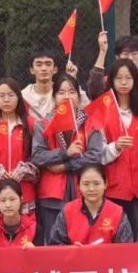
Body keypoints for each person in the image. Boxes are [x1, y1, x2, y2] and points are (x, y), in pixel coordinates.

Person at [31, 73, 104, 245]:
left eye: (72, 92)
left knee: (81, 242)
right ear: (54, 96)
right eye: (61, 92)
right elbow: (37, 156)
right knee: (54, 244)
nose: (67, 96)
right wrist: (65, 153)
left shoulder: (90, 123)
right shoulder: (43, 124)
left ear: (79, 96)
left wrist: (65, 165)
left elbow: (95, 155)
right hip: (52, 196)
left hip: (84, 193)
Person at [88, 58, 138, 237]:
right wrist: (115, 147)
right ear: (111, 80)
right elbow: (98, 153)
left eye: (128, 78)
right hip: (113, 189)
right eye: (119, 78)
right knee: (113, 237)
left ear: (135, 80)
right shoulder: (102, 110)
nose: (124, 83)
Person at [0, 79, 37, 220]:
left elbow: (39, 159)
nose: (6, 100)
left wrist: (25, 169)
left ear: (18, 97)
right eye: (1, 95)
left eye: (11, 95)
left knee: (25, 232)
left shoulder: (31, 125)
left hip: (24, 193)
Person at [46, 162, 134, 245]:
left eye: (96, 183)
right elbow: (55, 245)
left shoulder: (117, 213)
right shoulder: (68, 211)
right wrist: (72, 250)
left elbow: (124, 249)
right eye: (86, 184)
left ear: (105, 184)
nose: (91, 189)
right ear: (78, 186)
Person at [87, 32, 138, 107]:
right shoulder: (106, 82)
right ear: (117, 57)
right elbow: (94, 93)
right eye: (126, 54)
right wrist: (102, 52)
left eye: (134, 54)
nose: (130, 58)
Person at [0, 179, 37, 251]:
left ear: (21, 200)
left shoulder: (34, 227)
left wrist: (35, 251)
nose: (8, 205)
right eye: (3, 200)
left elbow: (43, 256)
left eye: (12, 199)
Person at [21, 50, 61, 123]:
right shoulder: (23, 96)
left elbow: (82, 105)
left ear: (55, 69)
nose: (44, 68)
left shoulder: (63, 93)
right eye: (39, 65)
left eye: (48, 64)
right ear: (32, 70)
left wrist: (72, 78)